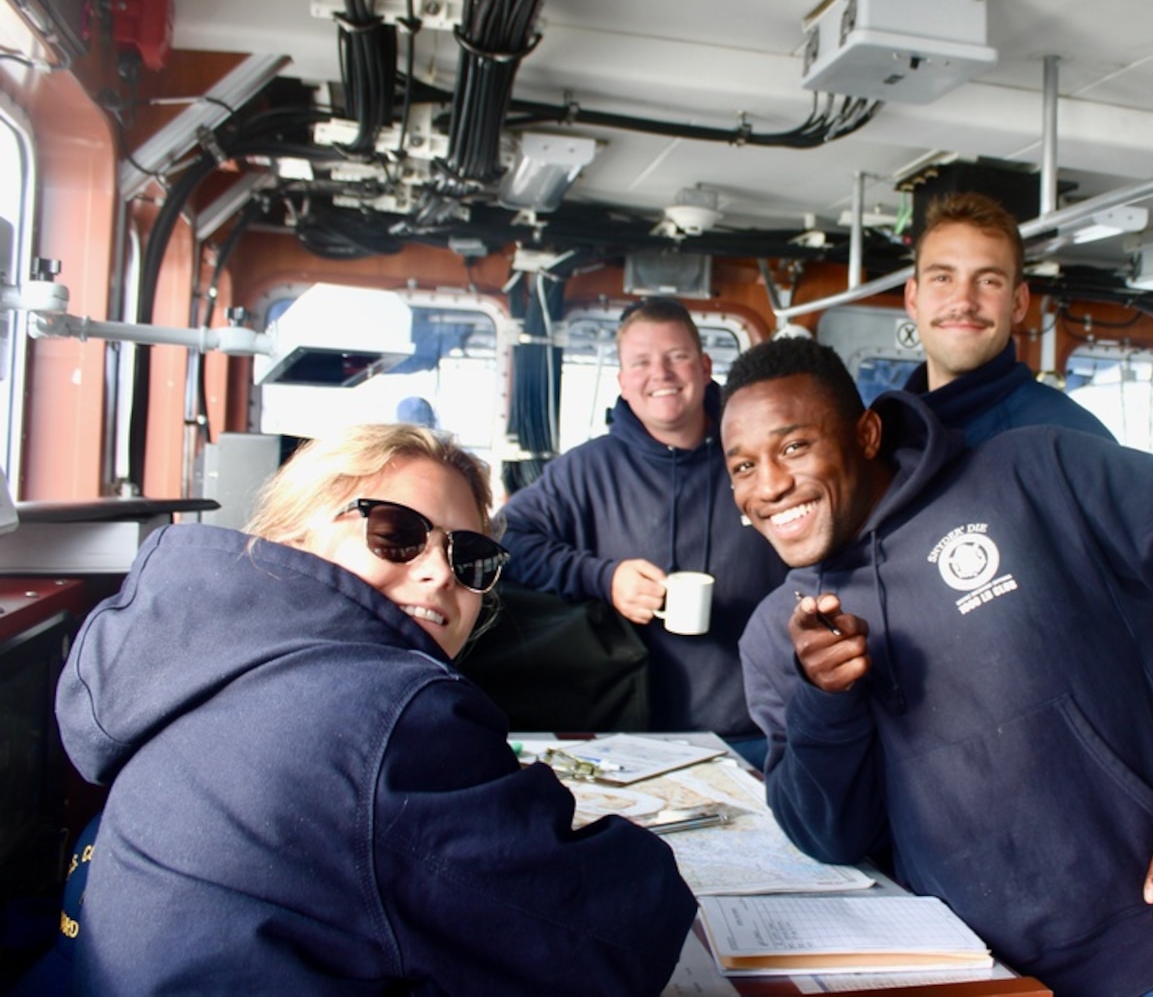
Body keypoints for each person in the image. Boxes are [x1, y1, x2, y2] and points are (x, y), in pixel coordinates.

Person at [721, 337, 1153, 997]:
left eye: (792, 447)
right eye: (741, 467)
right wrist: (824, 699)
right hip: (977, 975)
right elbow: (830, 837)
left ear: (866, 433)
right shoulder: (775, 636)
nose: (770, 486)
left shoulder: (1032, 471)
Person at [54, 424, 695, 995]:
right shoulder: (387, 715)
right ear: (291, 536)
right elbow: (616, 939)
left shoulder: (201, 659)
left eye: (468, 556)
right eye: (397, 533)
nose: (440, 573)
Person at [500, 297, 788, 763]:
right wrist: (603, 578)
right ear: (623, 380)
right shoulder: (586, 469)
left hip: (758, 730)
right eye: (641, 362)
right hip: (626, 737)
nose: (662, 374)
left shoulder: (756, 455)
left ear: (705, 365)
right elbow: (507, 540)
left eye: (677, 357)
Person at [903, 191, 1113, 443]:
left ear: (1018, 303)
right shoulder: (891, 431)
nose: (963, 301)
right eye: (942, 278)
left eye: (988, 281)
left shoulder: (1068, 438)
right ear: (913, 298)